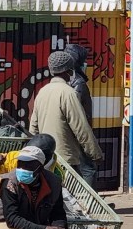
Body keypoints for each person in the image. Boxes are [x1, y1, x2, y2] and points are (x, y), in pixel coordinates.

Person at [29, 51, 103, 181]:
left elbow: (33, 127)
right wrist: (95, 153)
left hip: (46, 157)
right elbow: (80, 127)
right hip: (65, 159)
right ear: (68, 71)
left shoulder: (42, 92)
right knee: (70, 192)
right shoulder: (68, 93)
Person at [65, 44, 97, 188]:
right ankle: (91, 199)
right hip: (80, 132)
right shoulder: (79, 83)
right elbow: (76, 111)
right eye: (84, 60)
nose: (86, 64)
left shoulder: (66, 80)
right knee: (88, 167)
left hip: (70, 132)